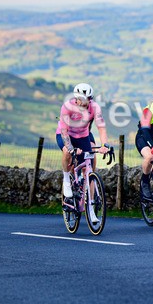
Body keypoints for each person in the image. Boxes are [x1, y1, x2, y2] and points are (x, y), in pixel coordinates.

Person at [56, 83, 110, 223]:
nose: (85, 102)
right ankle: (67, 179)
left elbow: (101, 127)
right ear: (76, 98)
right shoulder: (67, 107)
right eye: (82, 99)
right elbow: (63, 131)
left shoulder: (95, 107)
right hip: (66, 135)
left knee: (89, 167)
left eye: (88, 99)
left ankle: (90, 208)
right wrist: (71, 148)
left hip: (83, 136)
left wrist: (105, 144)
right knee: (67, 152)